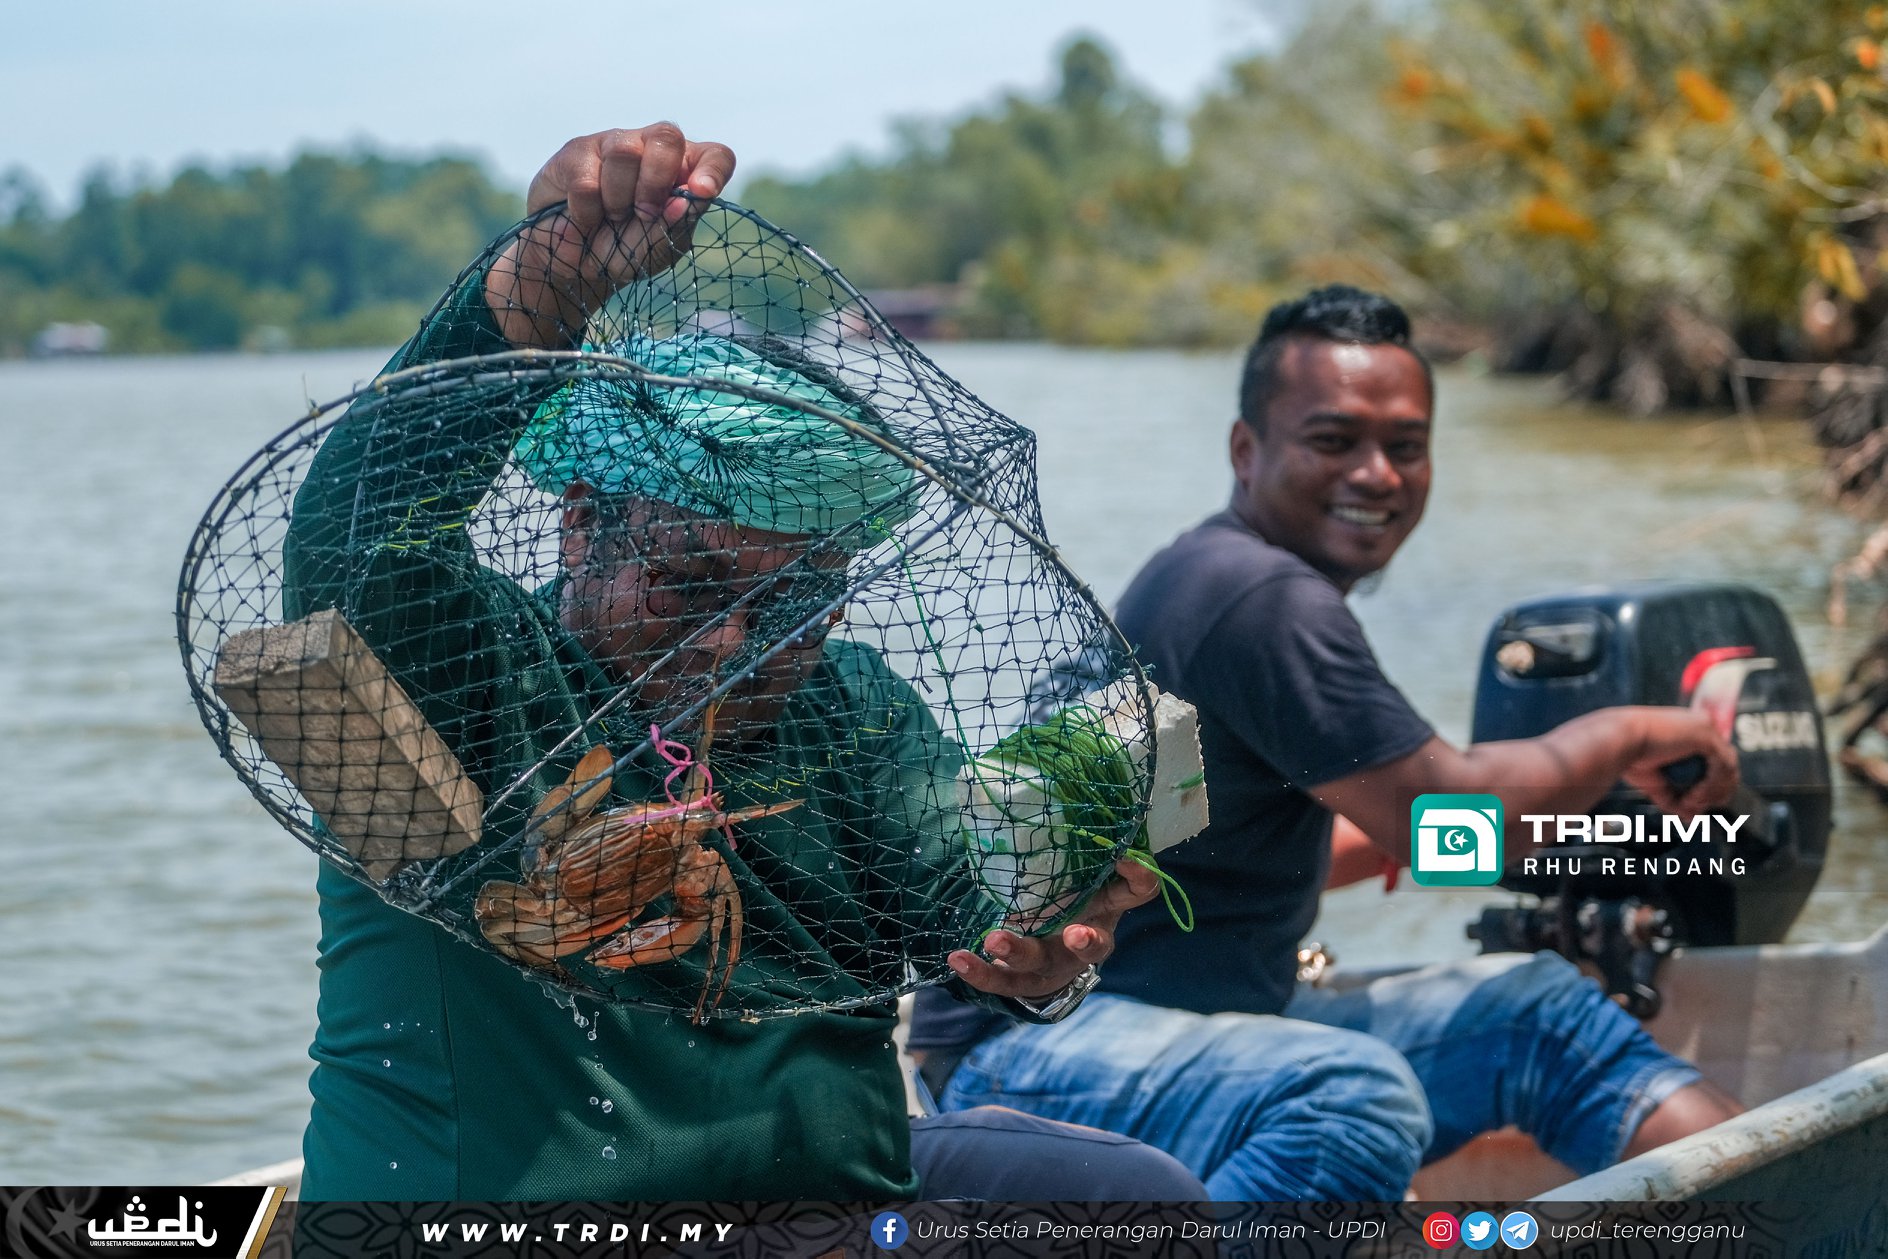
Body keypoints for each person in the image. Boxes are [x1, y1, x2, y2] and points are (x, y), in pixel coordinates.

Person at [282, 123, 1200, 1200]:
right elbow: (354, 543)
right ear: (582, 525)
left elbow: (973, 900)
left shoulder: (851, 711)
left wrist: (1049, 954)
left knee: (1141, 1200)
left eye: (797, 600)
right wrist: (541, 287)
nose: (734, 643)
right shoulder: (465, 676)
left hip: (832, 1208)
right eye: (685, 583)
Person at [912, 284, 1744, 1197]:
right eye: (1334, 441)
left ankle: (1780, 1213)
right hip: (1039, 1041)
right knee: (1350, 1099)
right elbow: (1472, 826)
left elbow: (1361, 838)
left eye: (1407, 447)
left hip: (1189, 1016)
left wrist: (1426, 841)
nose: (1378, 474)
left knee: (1541, 1015)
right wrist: (1626, 732)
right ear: (1246, 449)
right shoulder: (1263, 601)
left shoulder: (1213, 571)